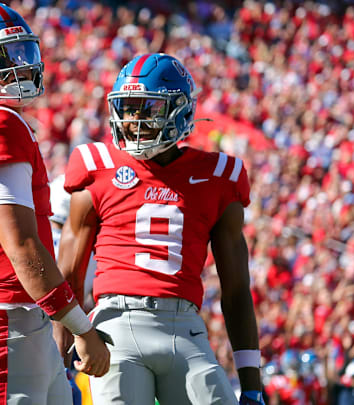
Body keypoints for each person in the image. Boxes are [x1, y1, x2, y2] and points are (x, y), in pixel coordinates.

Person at [57, 53, 265, 405]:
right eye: (128, 108)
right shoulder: (96, 166)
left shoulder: (218, 176)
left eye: (147, 108)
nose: (134, 120)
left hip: (185, 327)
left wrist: (253, 383)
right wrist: (59, 363)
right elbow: (69, 277)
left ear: (181, 110)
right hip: (114, 324)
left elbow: (236, 289)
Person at [0, 3, 110, 405]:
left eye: (20, 54)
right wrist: (83, 329)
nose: (18, 67)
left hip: (17, 322)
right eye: (0, 58)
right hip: (0, 323)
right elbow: (24, 249)